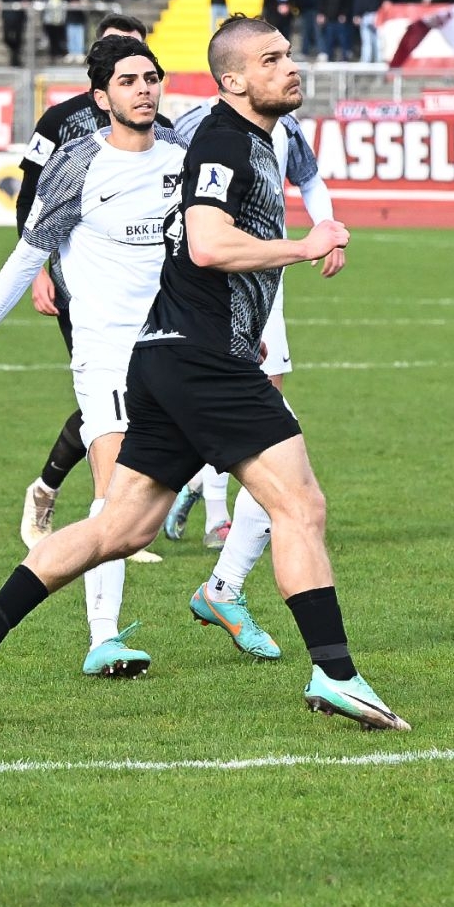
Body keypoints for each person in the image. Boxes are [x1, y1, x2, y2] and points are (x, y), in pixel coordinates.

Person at [0, 16, 407, 733]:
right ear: (233, 79)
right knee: (301, 505)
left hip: (161, 354)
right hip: (200, 356)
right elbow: (210, 242)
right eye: (272, 58)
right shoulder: (222, 139)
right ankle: (337, 674)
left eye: (289, 54)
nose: (291, 67)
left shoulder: (230, 135)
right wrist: (304, 244)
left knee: (122, 524)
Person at [0, 38, 183, 696]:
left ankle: (227, 589)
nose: (145, 89)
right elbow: (26, 255)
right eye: (129, 80)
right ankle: (102, 636)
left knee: (143, 516)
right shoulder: (77, 164)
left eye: (152, 78)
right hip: (104, 352)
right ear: (102, 97)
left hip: (174, 349)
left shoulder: (182, 160)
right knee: (116, 492)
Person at [160, 81, 341, 661]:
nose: (291, 69)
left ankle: (221, 574)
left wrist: (326, 231)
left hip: (260, 302)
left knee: (265, 446)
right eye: (274, 58)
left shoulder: (283, 129)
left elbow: (309, 178)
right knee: (281, 468)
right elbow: (190, 224)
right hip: (203, 311)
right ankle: (221, 571)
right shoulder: (199, 131)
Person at [10, 13, 160, 546]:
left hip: (148, 292)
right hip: (83, 285)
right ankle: (112, 516)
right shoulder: (59, 121)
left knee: (138, 395)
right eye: (121, 63)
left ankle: (81, 498)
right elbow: (31, 200)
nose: (139, 80)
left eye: (143, 64)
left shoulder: (160, 131)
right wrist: (39, 273)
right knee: (110, 393)